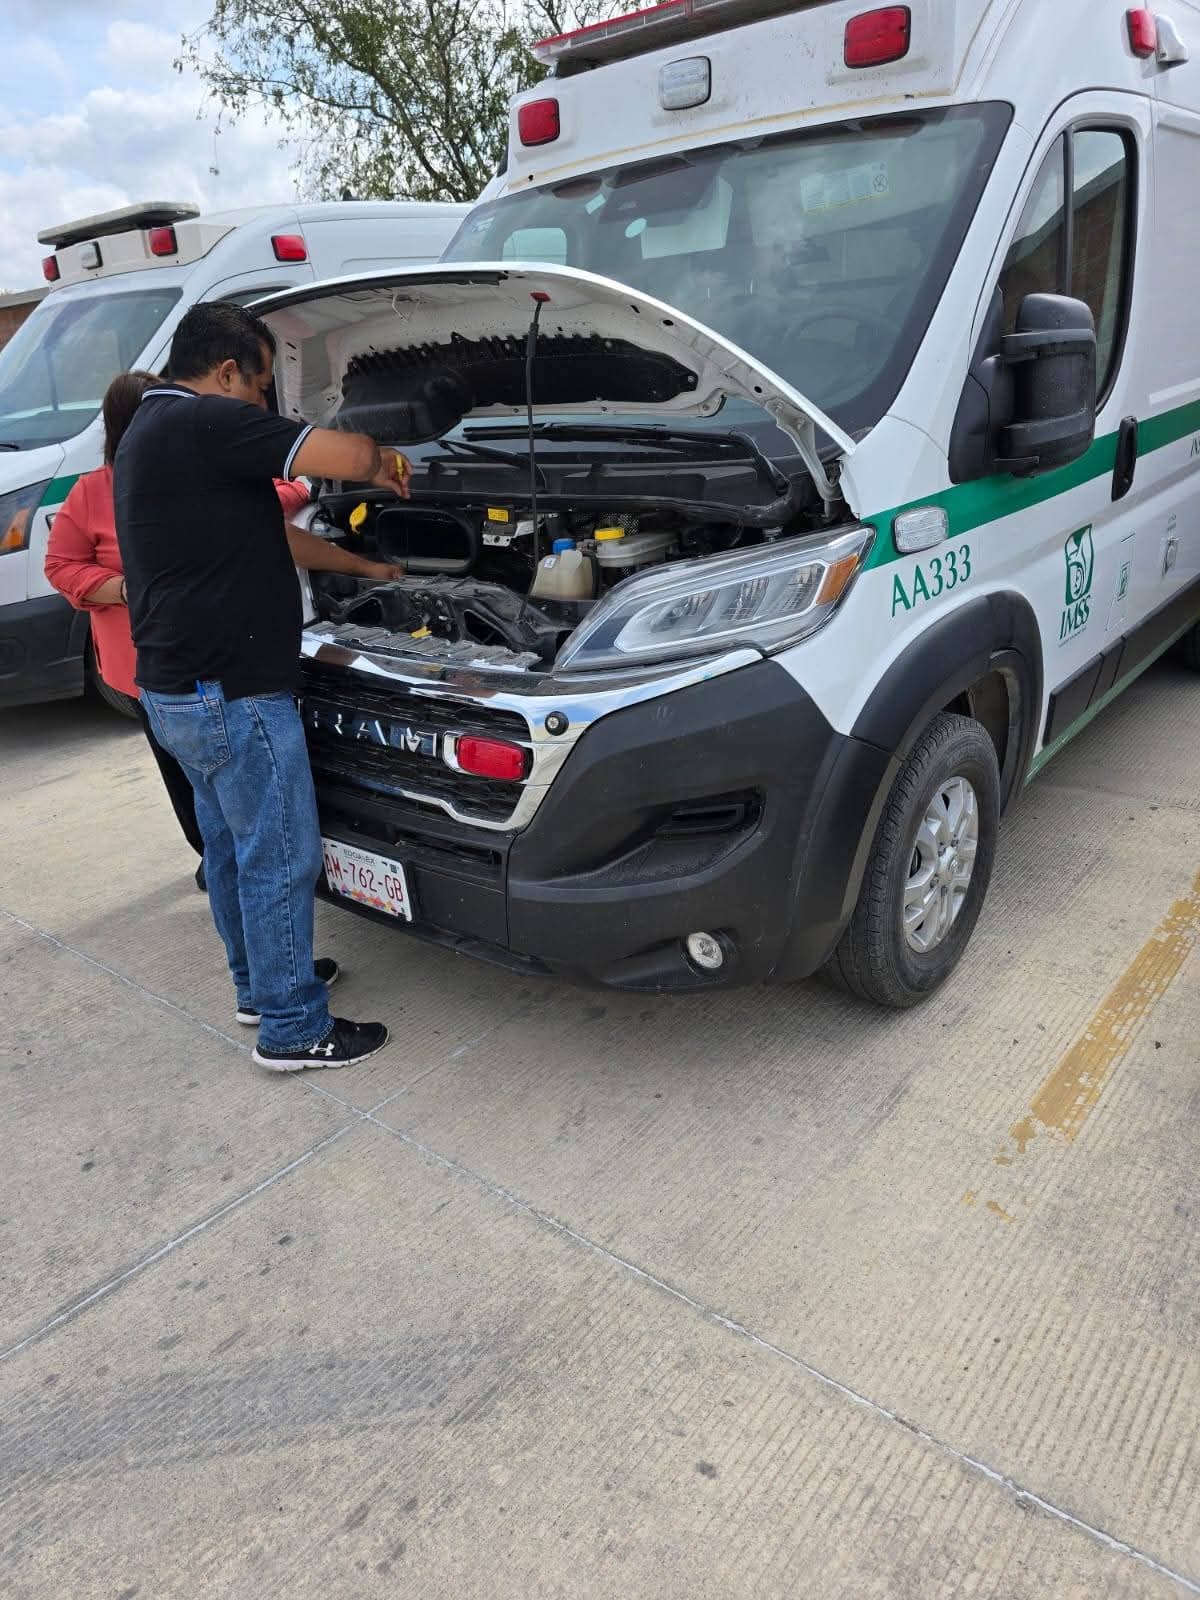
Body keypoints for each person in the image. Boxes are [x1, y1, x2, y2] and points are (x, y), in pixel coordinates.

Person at [113, 303, 411, 1072]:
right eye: (259, 384)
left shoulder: (153, 429)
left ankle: (261, 986)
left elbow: (273, 535)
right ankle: (293, 1027)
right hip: (232, 693)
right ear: (225, 373)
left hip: (177, 691)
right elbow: (348, 454)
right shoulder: (206, 421)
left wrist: (368, 568)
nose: (262, 401)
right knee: (279, 856)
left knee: (232, 849)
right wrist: (383, 460)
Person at [45, 370, 406, 896]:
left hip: (185, 672)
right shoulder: (97, 490)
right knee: (239, 830)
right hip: (169, 671)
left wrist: (319, 511)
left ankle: (225, 876)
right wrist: (124, 589)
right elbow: (60, 566)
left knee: (227, 817)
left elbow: (270, 505)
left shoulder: (200, 471)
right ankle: (220, 874)